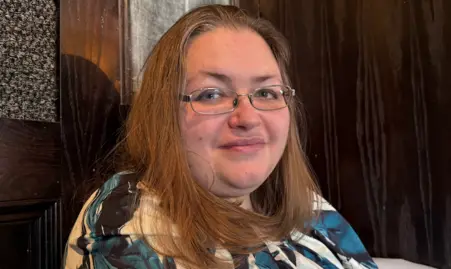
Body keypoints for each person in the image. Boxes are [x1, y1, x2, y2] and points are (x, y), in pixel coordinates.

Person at [63, 4, 378, 269]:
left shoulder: (301, 202)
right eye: (211, 94)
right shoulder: (125, 232)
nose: (248, 118)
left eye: (267, 91)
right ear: (163, 114)